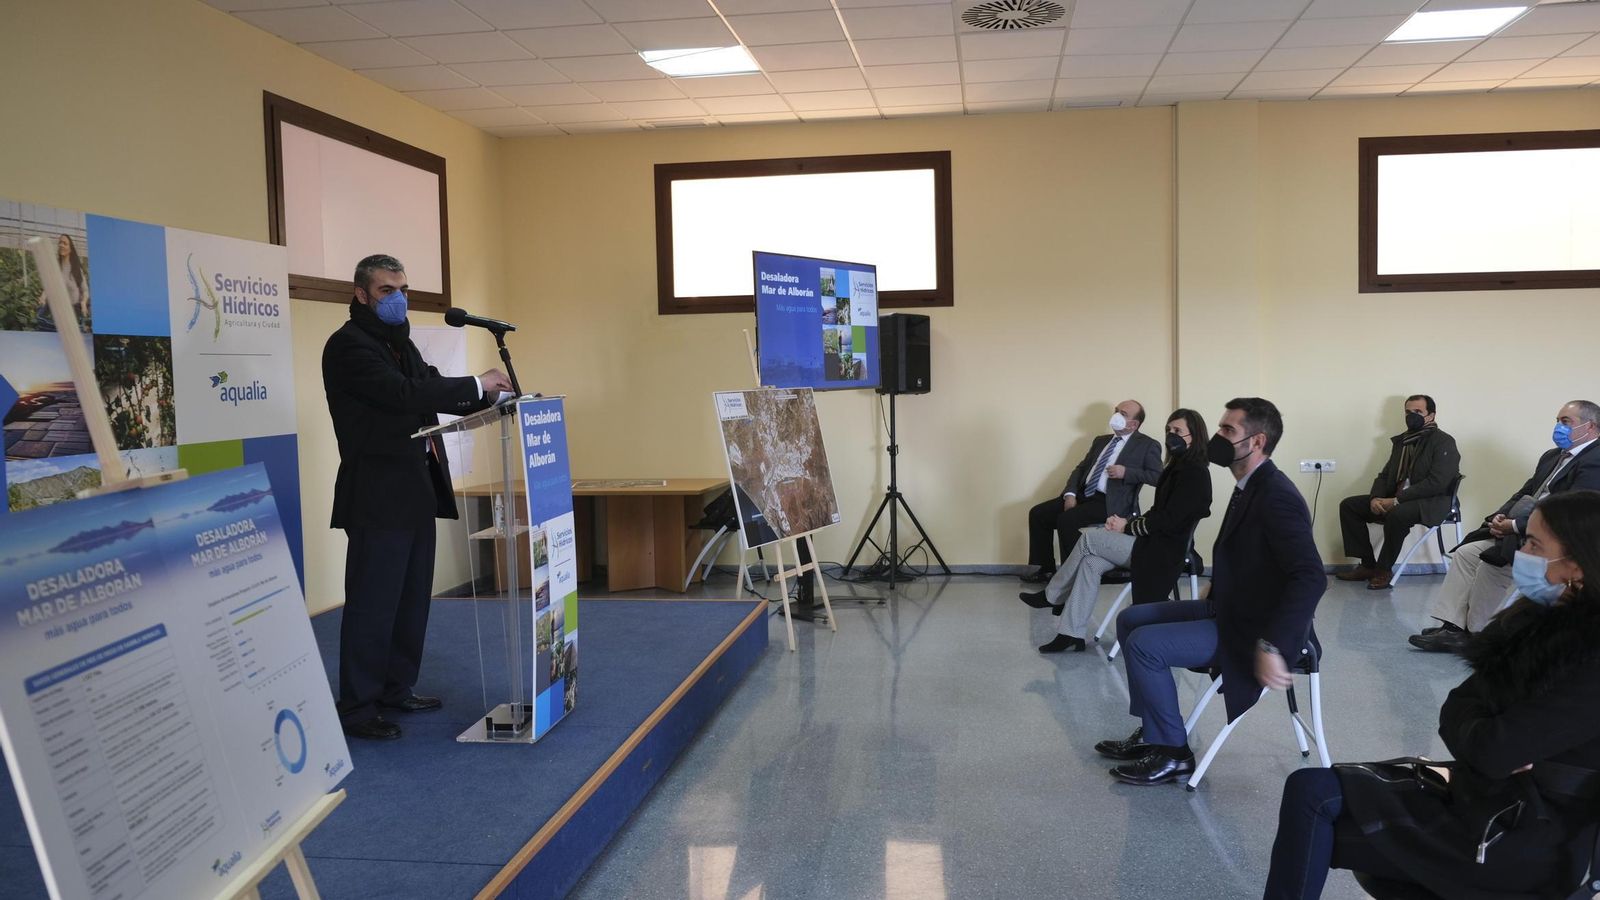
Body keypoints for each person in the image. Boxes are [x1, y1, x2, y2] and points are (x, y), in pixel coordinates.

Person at [1263, 489, 1600, 900]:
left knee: (1320, 814)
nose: (1521, 553)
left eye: (1533, 544)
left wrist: (1485, 732)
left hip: (1530, 833)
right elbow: (1459, 708)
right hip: (1490, 795)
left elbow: (1492, 749)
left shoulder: (1589, 652)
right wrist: (1485, 731)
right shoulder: (1537, 621)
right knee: (1309, 792)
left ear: (1578, 565)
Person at [323, 253, 513, 740]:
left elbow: (426, 385)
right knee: (372, 603)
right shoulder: (348, 346)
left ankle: (396, 688)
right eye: (388, 290)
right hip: (376, 494)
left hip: (415, 488)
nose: (399, 298)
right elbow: (403, 395)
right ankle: (359, 708)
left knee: (410, 601)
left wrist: (490, 397)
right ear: (362, 294)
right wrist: (475, 382)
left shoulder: (398, 341)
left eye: (403, 288)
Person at [1094, 398, 1324, 786]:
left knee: (1145, 645)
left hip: (1255, 630)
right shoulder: (1248, 486)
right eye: (1219, 427)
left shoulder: (1276, 495)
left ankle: (1172, 754)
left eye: (1228, 431)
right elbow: (1248, 555)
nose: (1217, 437)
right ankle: (1153, 733)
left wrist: (1273, 647)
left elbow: (1311, 577)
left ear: (1257, 441)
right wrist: (1215, 590)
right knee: (1132, 618)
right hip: (1230, 607)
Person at [1409, 400, 1600, 653]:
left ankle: (1477, 636)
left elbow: (1572, 511)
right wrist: (1500, 516)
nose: (1558, 427)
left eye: (1566, 422)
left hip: (1556, 540)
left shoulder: (1595, 460)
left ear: (1591, 427)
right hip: (1524, 529)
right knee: (1467, 553)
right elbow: (1525, 491)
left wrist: (1517, 526)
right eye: (1557, 421)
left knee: (1493, 561)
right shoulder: (1552, 456)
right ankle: (1453, 627)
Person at [1020, 408, 1212, 654]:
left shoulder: (1194, 473)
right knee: (1090, 562)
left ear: (1194, 436)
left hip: (1161, 551)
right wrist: (1125, 525)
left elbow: (1169, 520)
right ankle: (1071, 634)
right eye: (1168, 430)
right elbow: (1157, 514)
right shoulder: (1178, 467)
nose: (1170, 435)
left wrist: (1128, 526)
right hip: (1150, 542)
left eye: (1177, 431)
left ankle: (1052, 595)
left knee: (1088, 538)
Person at [1023, 400, 1162, 583]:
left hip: (1109, 502)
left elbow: (1158, 477)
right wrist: (1070, 494)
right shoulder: (1101, 440)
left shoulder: (1147, 445)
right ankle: (1046, 569)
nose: (1116, 415)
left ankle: (1070, 575)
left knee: (1067, 520)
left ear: (1134, 424)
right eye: (1116, 411)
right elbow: (1081, 469)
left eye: (1123, 414)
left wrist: (1126, 472)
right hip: (1082, 495)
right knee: (1039, 514)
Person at [1334, 394, 1459, 590]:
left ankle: (1383, 570)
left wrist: (1395, 500)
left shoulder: (1444, 442)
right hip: (1397, 497)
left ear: (1431, 415)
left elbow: (1437, 483)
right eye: (1408, 412)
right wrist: (1376, 497)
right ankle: (1368, 565)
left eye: (1418, 412)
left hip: (1431, 501)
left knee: (1398, 514)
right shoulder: (1403, 442)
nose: (1412, 416)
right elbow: (1385, 475)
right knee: (1349, 506)